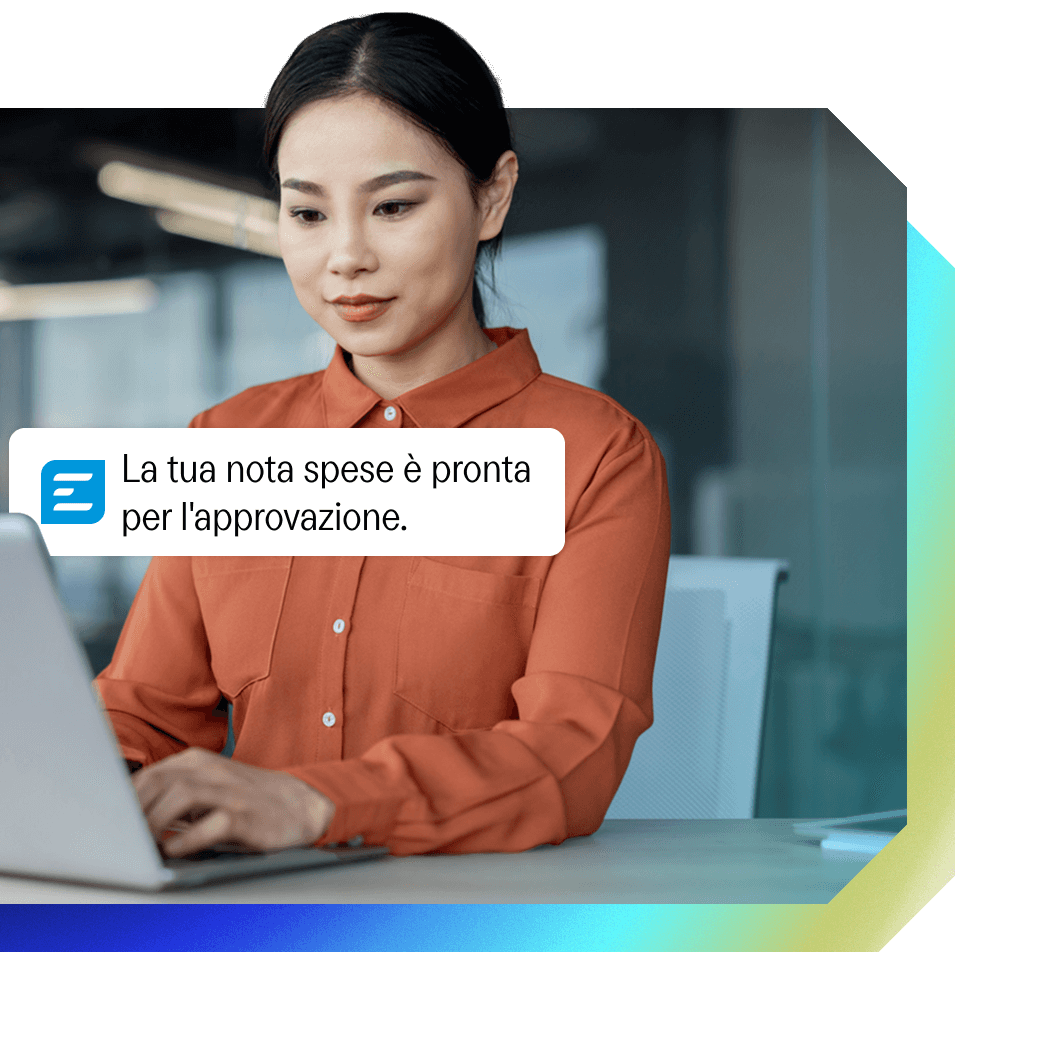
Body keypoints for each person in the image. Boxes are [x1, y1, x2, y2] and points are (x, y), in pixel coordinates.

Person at [96, 14, 671, 859]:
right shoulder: (226, 443)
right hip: (238, 914)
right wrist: (60, 787)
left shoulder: (595, 459)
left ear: (492, 196)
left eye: (394, 206)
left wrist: (316, 803)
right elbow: (142, 712)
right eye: (308, 214)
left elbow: (569, 754)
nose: (346, 257)